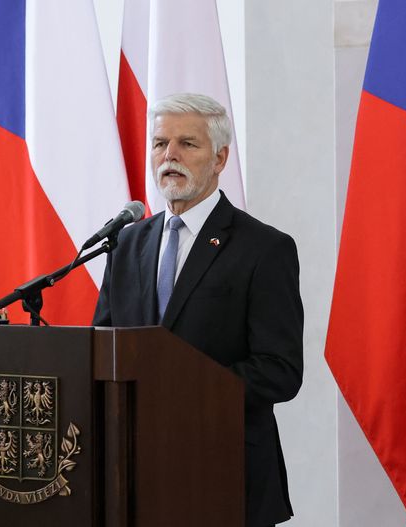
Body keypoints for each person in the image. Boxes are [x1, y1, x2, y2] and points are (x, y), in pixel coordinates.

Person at [92, 93, 303, 527]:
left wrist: (182, 387)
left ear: (220, 158)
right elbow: (103, 345)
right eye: (159, 144)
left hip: (226, 471)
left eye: (187, 143)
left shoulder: (264, 248)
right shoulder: (127, 243)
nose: (169, 155)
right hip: (134, 473)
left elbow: (280, 370)